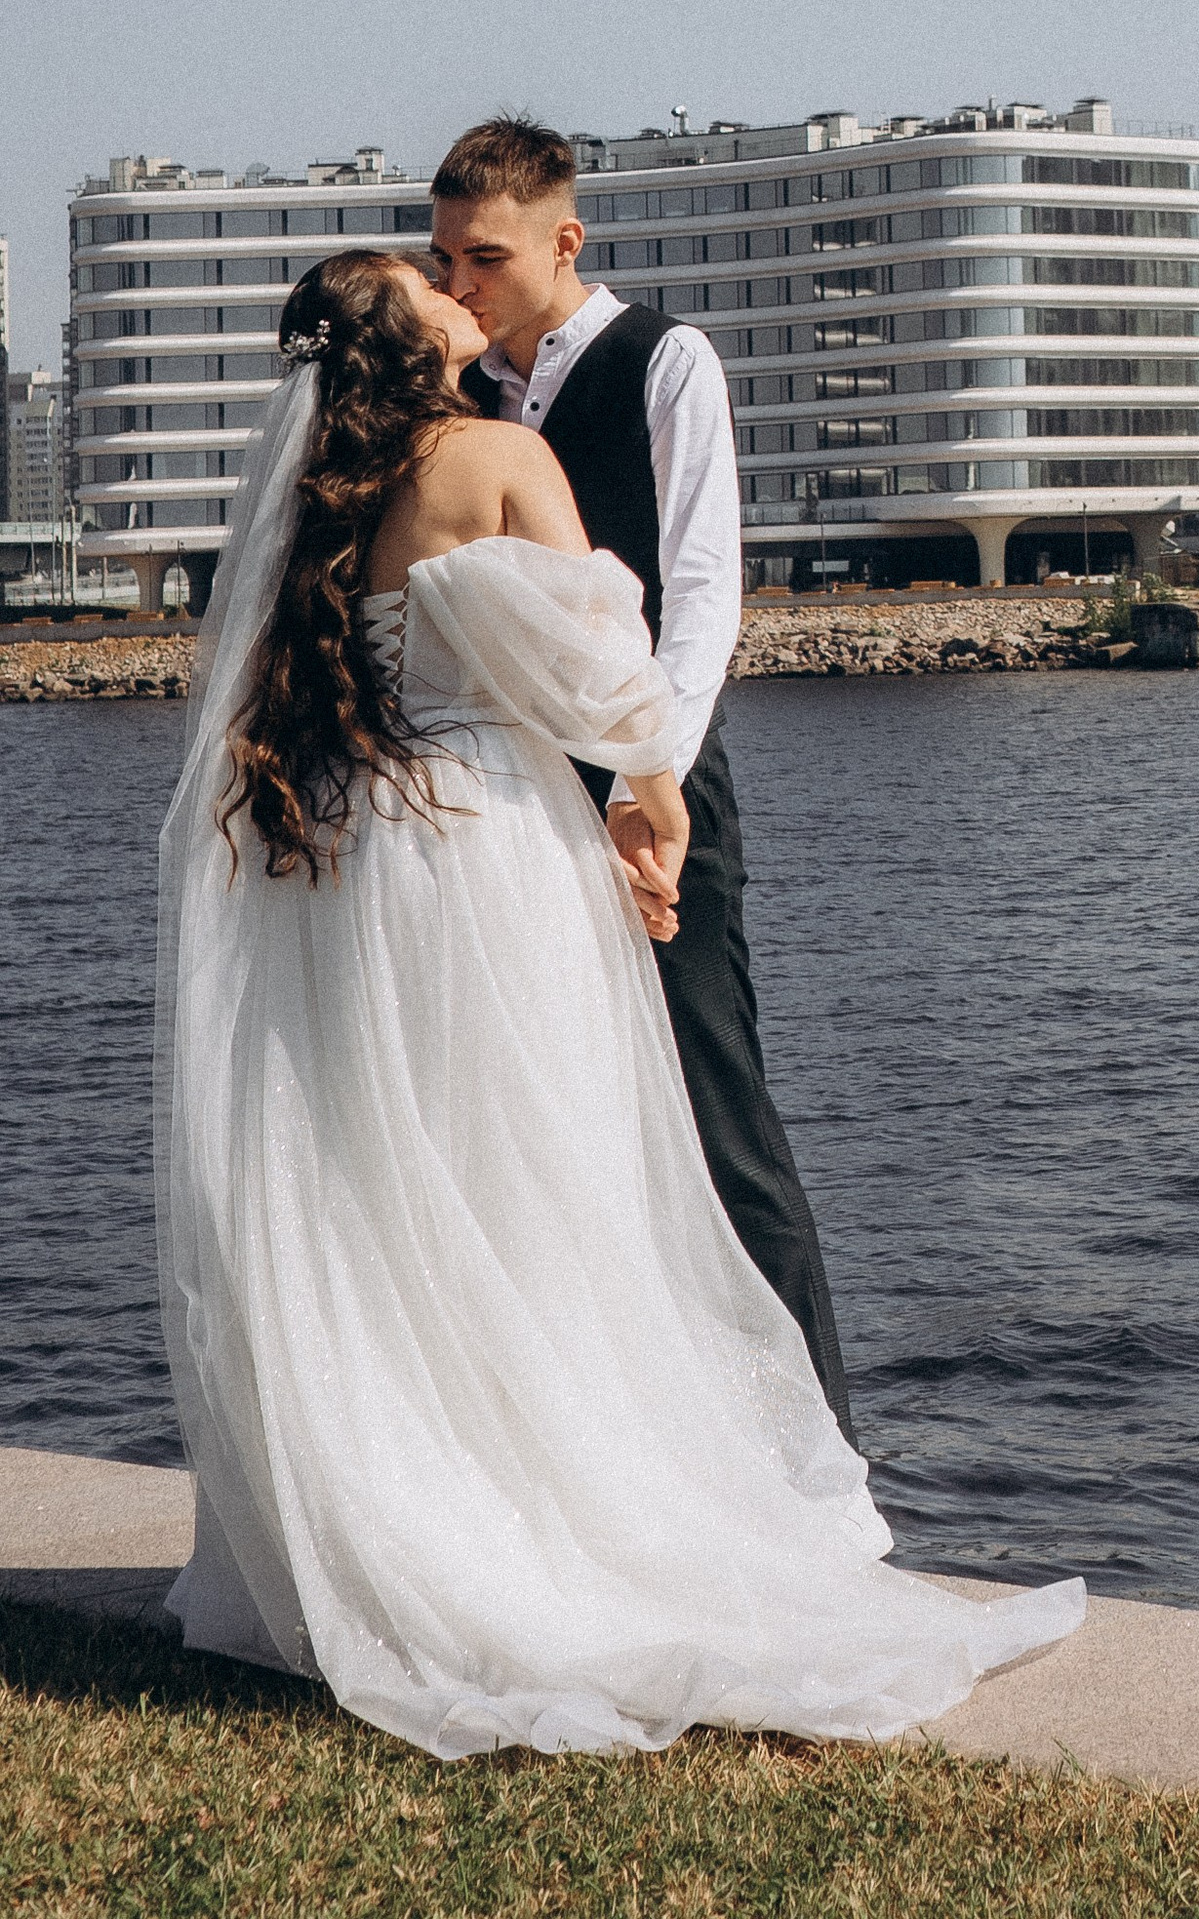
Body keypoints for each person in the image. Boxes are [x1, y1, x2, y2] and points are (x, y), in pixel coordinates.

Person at [156, 247, 1079, 1756]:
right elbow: (604, 670)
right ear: (410, 333)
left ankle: (415, 1512)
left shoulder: (317, 493)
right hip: (493, 855)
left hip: (353, 863)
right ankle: (570, 1524)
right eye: (429, 283)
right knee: (544, 1182)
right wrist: (654, 812)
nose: (459, 294)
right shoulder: (501, 455)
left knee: (392, 1192)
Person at [427, 114, 851, 1440]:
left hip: (652, 793)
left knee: (717, 1117)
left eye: (481, 260)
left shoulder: (667, 360)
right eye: (443, 262)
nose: (458, 288)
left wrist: (639, 778)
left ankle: (821, 1462)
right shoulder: (462, 398)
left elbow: (704, 592)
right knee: (556, 1131)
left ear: (565, 239)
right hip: (513, 816)